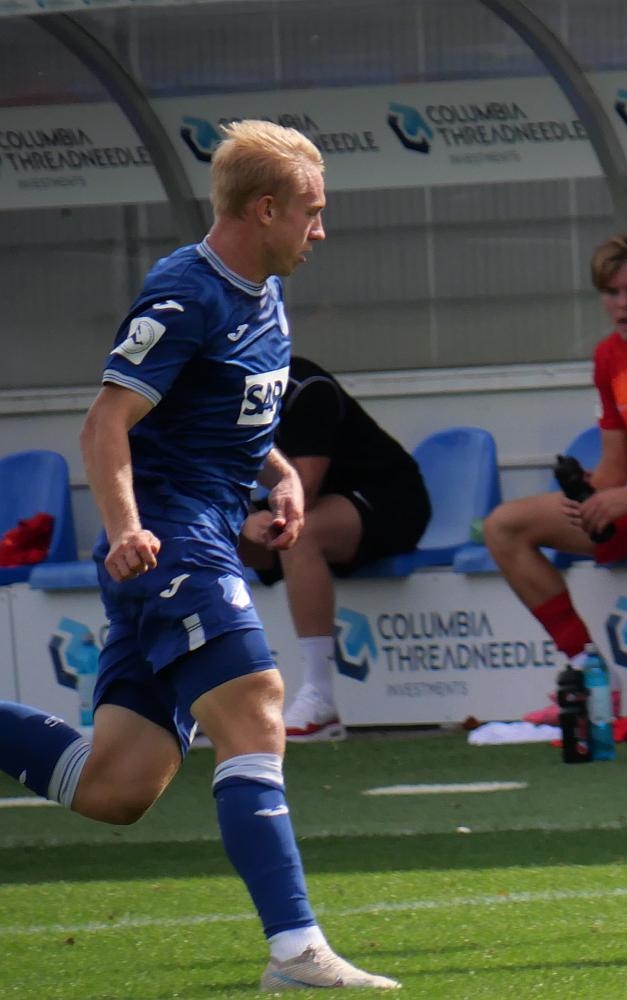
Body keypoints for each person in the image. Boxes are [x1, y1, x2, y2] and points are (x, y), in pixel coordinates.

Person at [0, 121, 397, 989]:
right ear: (264, 209)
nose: (320, 231)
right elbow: (107, 422)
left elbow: (233, 412)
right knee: (258, 704)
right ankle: (295, 952)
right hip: (171, 538)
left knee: (117, 786)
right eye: (311, 213)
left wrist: (283, 476)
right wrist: (129, 525)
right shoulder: (186, 293)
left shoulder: (263, 288)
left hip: (209, 528)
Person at [482, 233, 627, 715]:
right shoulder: (609, 356)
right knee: (503, 525)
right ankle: (588, 672)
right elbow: (615, 468)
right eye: (612, 292)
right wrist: (590, 492)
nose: (623, 304)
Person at [238, 355, 432, 741]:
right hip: (314, 501)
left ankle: (320, 698)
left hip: (389, 497)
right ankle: (218, 692)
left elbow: (301, 492)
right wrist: (240, 522)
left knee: (298, 531)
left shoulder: (306, 388)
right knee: (213, 538)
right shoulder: (202, 395)